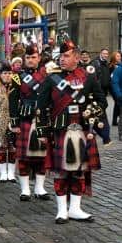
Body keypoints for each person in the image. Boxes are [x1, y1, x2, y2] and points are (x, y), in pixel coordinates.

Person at [38, 40, 107, 224]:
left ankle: (75, 208)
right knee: (61, 171)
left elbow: (102, 100)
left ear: (77, 57)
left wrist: (90, 112)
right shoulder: (52, 78)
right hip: (60, 130)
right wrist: (42, 133)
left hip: (82, 129)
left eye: (66, 56)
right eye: (60, 56)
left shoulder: (88, 76)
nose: (62, 59)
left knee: (79, 171)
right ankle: (62, 210)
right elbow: (41, 107)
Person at [15, 45, 50, 201]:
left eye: (33, 57)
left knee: (41, 156)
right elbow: (12, 100)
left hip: (41, 118)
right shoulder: (18, 77)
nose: (30, 60)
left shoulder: (47, 76)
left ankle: (40, 188)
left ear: (39, 58)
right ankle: (25, 189)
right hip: (25, 118)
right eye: (28, 58)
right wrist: (13, 122)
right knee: (24, 157)